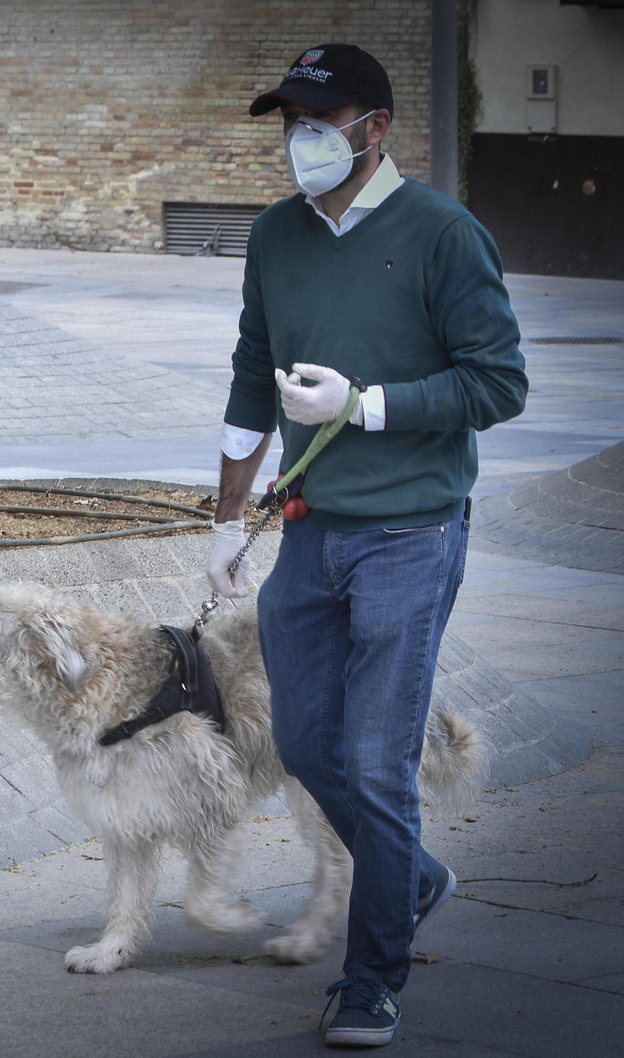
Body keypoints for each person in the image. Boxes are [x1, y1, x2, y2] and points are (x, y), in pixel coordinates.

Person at [206, 44, 528, 1048]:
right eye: (288, 121)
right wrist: (224, 517)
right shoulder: (274, 236)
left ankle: (372, 975)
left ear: (374, 127)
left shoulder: (443, 235)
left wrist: (367, 405)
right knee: (305, 745)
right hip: (306, 533)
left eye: (317, 120)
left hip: (410, 532)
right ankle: (413, 877)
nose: (298, 139)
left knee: (376, 762)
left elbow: (499, 383)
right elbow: (251, 372)